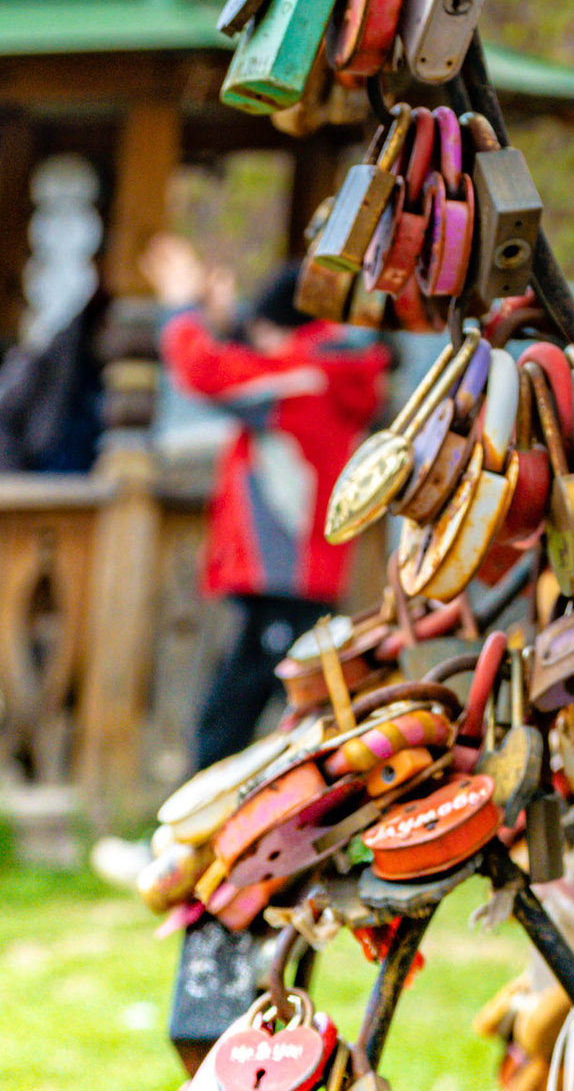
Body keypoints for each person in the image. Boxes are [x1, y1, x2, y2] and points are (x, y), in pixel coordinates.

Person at [144, 232, 389, 766]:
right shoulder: (327, 369)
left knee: (251, 712)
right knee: (285, 709)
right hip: (296, 573)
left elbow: (207, 373)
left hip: (284, 571)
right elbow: (247, 369)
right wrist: (223, 320)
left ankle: (197, 833)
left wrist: (183, 304)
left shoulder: (303, 377)